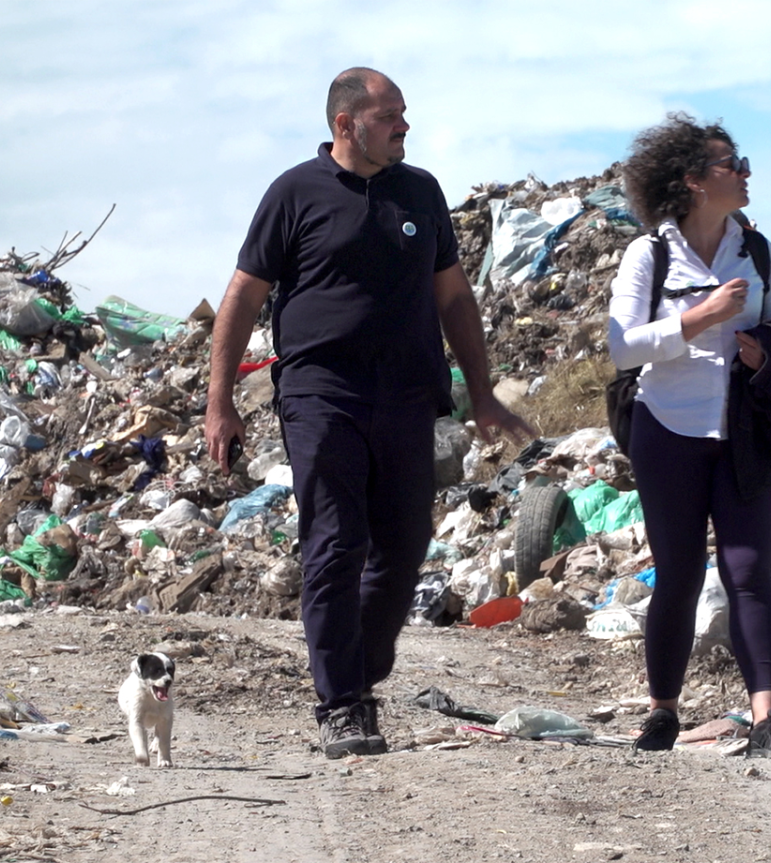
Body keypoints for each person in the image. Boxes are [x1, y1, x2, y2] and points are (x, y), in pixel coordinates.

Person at [203, 67, 533, 759]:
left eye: (405, 114)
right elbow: (241, 294)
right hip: (322, 393)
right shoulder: (295, 193)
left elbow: (454, 298)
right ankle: (343, 703)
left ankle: (359, 665)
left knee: (405, 544)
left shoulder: (422, 192)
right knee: (335, 540)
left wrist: (481, 390)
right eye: (391, 117)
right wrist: (220, 401)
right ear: (346, 125)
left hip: (410, 395)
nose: (405, 126)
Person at [607, 113, 771, 759]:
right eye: (732, 164)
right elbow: (620, 347)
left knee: (749, 570)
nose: (745, 173)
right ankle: (662, 712)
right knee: (678, 576)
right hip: (666, 428)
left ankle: (768, 721)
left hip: (744, 430)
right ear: (693, 180)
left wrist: (766, 356)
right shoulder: (650, 254)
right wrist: (699, 318)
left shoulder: (757, 249)